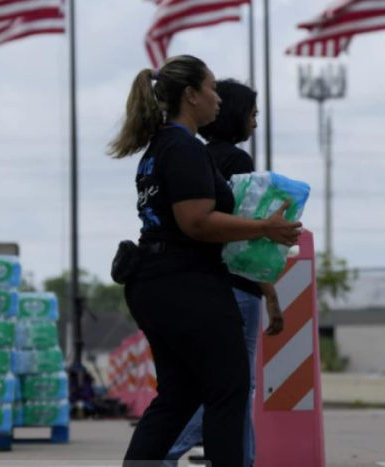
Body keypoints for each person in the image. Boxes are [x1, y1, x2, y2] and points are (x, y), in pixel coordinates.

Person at [107, 55, 301, 466]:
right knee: (228, 390)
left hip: (156, 282)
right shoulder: (184, 148)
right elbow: (196, 222)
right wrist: (265, 227)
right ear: (191, 95)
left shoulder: (157, 150)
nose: (218, 97)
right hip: (187, 285)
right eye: (212, 88)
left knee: (178, 396)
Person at [164, 79, 284, 467]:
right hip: (236, 284)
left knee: (215, 384)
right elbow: (244, 237)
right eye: (252, 114)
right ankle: (164, 450)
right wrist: (269, 290)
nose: (255, 122)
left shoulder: (191, 154)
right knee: (235, 386)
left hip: (194, 283)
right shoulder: (238, 162)